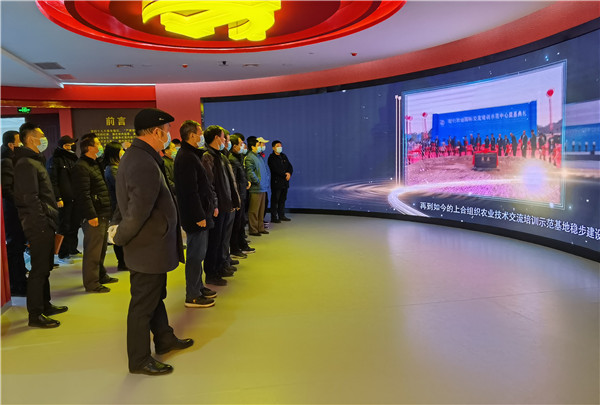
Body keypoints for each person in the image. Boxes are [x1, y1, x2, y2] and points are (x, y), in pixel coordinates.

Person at [113, 108, 192, 376]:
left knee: (154, 296)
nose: (169, 135)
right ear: (157, 132)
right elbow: (137, 212)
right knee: (143, 304)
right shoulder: (142, 161)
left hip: (151, 246)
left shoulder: (141, 156)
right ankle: (139, 359)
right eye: (167, 130)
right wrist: (119, 237)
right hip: (147, 246)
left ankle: (164, 338)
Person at [13, 123, 67, 328]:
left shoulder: (34, 160)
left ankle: (45, 305)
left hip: (44, 221)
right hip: (38, 223)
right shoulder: (25, 163)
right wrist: (42, 221)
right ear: (30, 139)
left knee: (45, 267)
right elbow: (29, 198)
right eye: (41, 135)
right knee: (39, 269)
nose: (44, 139)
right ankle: (35, 314)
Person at [174, 120, 216, 308]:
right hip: (195, 215)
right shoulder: (186, 157)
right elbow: (189, 191)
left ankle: (198, 286)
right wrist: (199, 215)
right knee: (195, 255)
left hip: (201, 212)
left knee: (200, 253)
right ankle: (192, 295)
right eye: (199, 133)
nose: (201, 136)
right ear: (191, 135)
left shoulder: (192, 155)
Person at [72, 134, 118, 293]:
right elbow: (83, 194)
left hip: (102, 212)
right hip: (94, 215)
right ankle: (91, 283)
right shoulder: (81, 166)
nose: (100, 146)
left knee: (101, 248)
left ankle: (101, 275)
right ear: (89, 147)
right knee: (93, 250)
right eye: (98, 143)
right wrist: (91, 215)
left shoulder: (94, 163)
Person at [201, 125, 240, 286]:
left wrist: (233, 201)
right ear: (217, 138)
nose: (225, 141)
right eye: (223, 137)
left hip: (225, 204)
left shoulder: (220, 156)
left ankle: (220, 267)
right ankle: (212, 273)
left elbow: (229, 182)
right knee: (214, 241)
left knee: (221, 239)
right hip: (217, 207)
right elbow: (209, 185)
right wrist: (215, 204)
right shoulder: (207, 157)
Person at [1, 130, 28, 296]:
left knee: (18, 247)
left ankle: (20, 280)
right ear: (11, 144)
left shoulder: (10, 159)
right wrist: (21, 202)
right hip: (12, 212)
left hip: (14, 210)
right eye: (19, 142)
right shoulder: (6, 161)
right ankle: (17, 285)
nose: (21, 145)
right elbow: (6, 190)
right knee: (15, 248)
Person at [47, 135, 80, 263]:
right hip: (63, 199)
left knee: (74, 224)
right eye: (67, 145)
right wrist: (57, 197)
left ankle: (72, 249)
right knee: (63, 226)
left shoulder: (73, 158)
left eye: (71, 145)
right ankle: (62, 253)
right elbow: (53, 180)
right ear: (61, 146)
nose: (70, 147)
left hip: (74, 198)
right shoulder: (55, 160)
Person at [103, 142, 129, 271]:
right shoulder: (112, 169)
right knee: (118, 232)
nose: (123, 152)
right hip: (117, 206)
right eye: (121, 150)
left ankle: (125, 261)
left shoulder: (117, 167)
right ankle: (122, 262)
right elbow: (123, 186)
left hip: (120, 204)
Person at [229, 134, 252, 257]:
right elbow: (233, 180)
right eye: (240, 144)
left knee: (241, 221)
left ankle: (242, 244)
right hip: (238, 195)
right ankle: (235, 248)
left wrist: (246, 182)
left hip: (242, 193)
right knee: (236, 223)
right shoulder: (232, 159)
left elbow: (241, 176)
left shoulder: (238, 157)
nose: (243, 146)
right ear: (234, 146)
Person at [244, 136, 269, 236]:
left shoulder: (259, 156)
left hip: (263, 187)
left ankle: (260, 227)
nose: (260, 146)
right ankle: (253, 229)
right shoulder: (250, 157)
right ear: (252, 146)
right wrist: (257, 181)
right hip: (256, 188)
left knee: (261, 210)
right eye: (258, 144)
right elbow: (250, 172)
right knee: (254, 210)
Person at [268, 140, 293, 223]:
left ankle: (281, 215)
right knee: (275, 200)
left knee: (282, 200)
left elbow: (290, 166)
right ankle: (274, 217)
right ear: (273, 148)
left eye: (280, 146)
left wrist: (289, 173)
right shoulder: (271, 157)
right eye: (278, 146)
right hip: (276, 182)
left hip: (285, 182)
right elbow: (275, 169)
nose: (280, 147)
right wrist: (285, 175)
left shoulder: (283, 156)